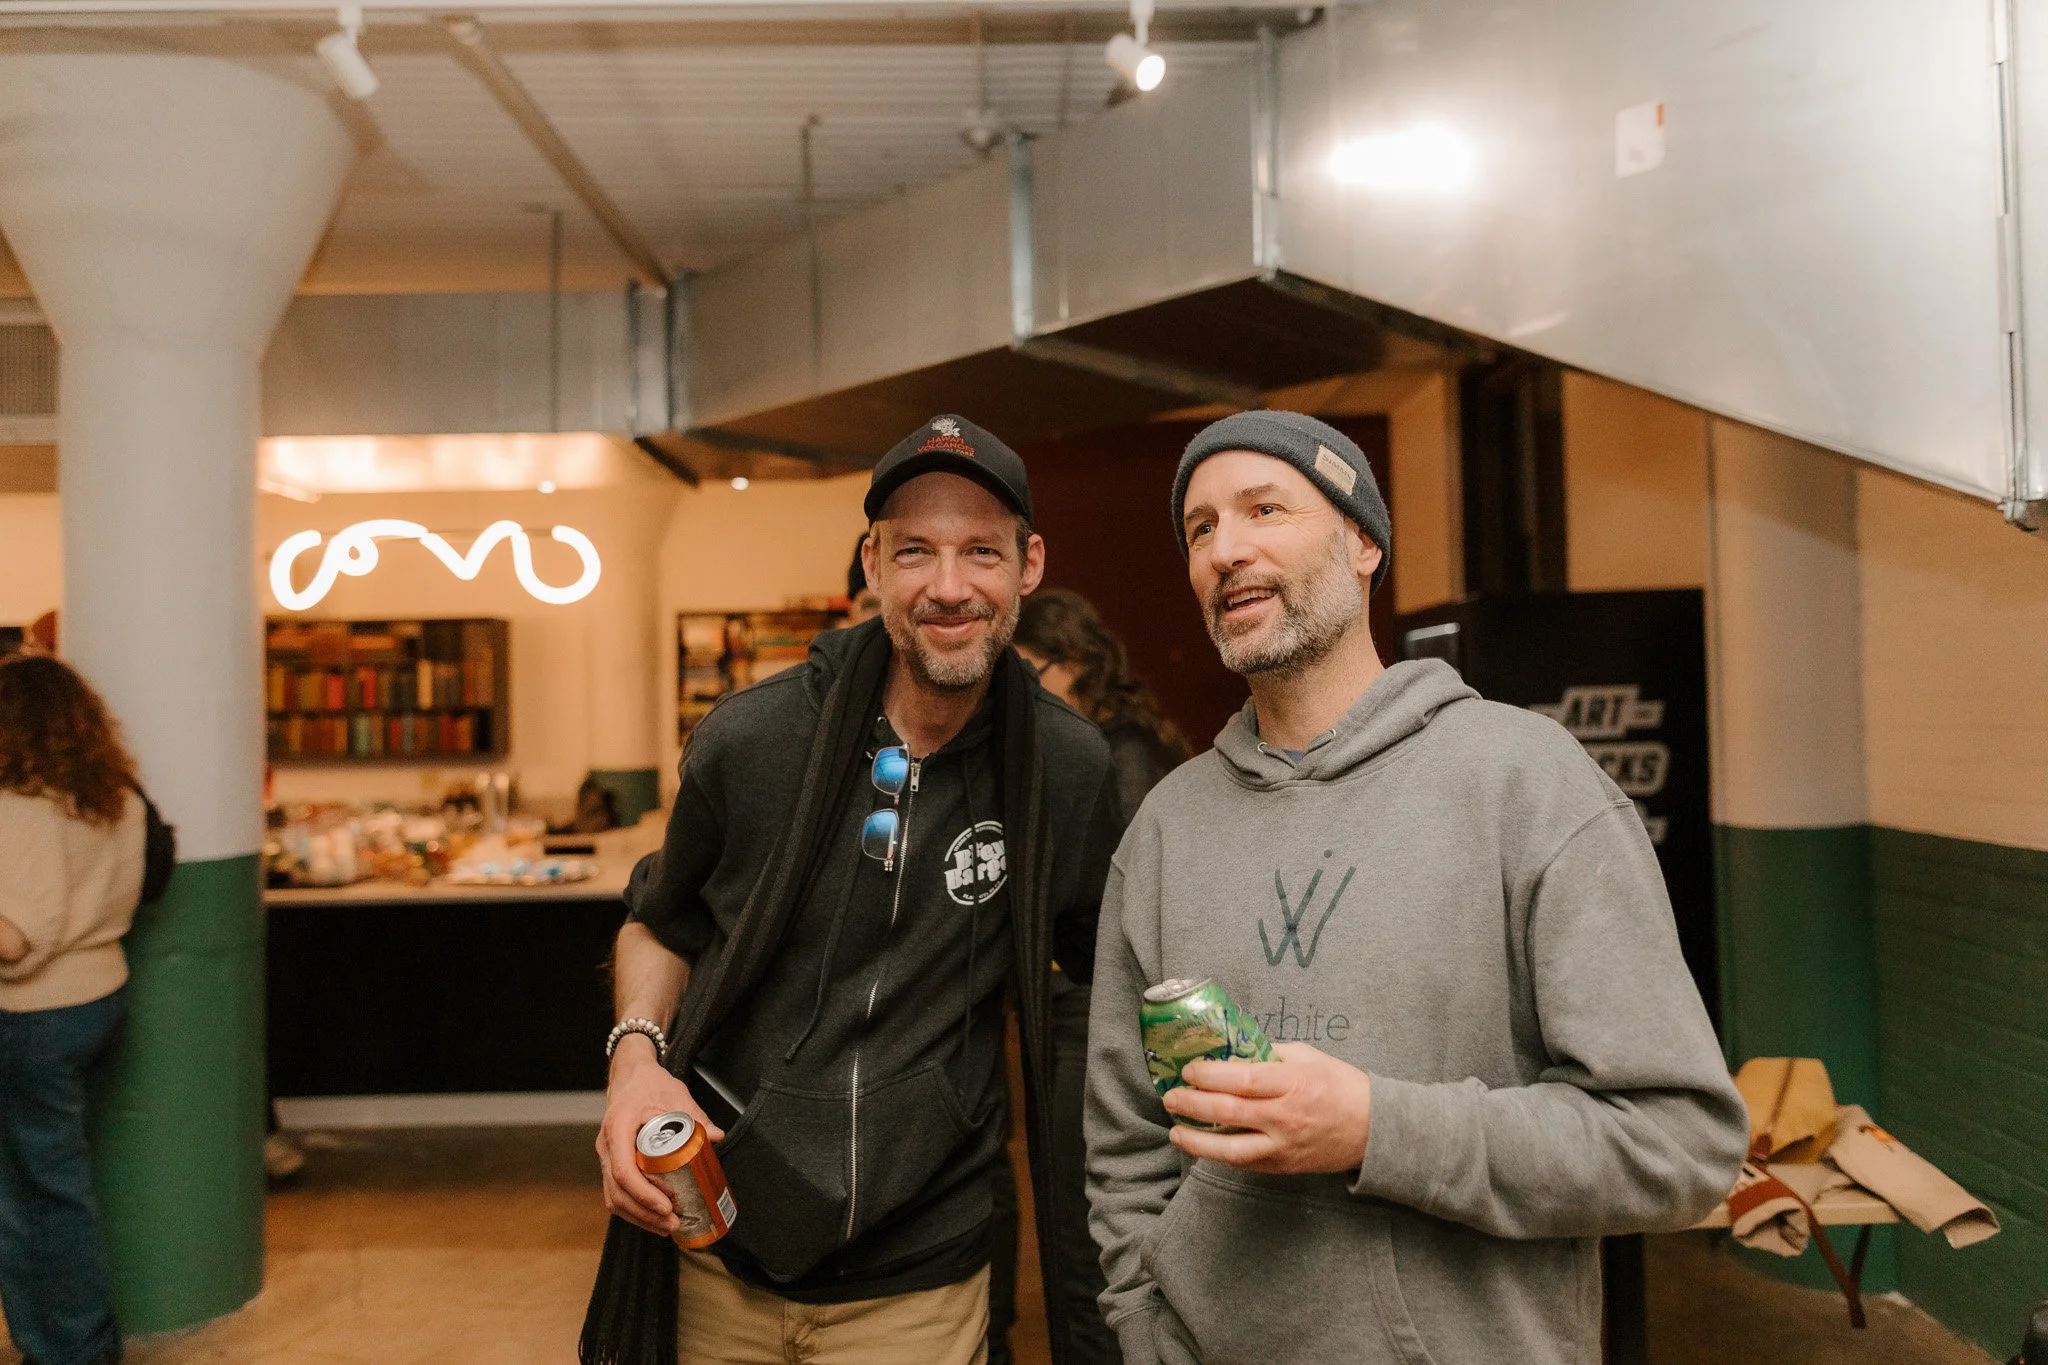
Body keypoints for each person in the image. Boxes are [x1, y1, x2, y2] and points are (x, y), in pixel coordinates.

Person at [1085, 410, 1748, 1365]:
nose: (1225, 550)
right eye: (1200, 527)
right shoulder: (1166, 830)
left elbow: (1678, 1142)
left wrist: (1376, 1128)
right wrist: (1144, 1327)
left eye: (1264, 508)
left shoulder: (1526, 781)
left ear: (1362, 542)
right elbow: (1128, 1145)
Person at [584, 415, 1125, 1365]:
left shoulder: (1065, 769)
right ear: (872, 565)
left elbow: (1099, 978)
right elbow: (658, 924)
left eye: (981, 552)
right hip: (721, 1243)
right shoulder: (752, 742)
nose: (948, 586)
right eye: (915, 550)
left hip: (922, 1271)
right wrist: (636, 1062)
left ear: (1029, 566)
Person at [983, 590, 1188, 1364]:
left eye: (1031, 674)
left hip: (1100, 1013)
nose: (1021, 696)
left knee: (1087, 1256)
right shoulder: (1109, 744)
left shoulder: (1115, 754)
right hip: (1087, 1009)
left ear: (1076, 664)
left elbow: (1124, 919)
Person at [0, 655, 147, 1365]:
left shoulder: (22, 806)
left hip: (32, 1017)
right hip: (98, 1001)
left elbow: (13, 937)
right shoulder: (113, 793)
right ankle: (80, 1340)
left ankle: (69, 1349)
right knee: (52, 1183)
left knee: (36, 1197)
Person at [1014, 589, 1188, 824]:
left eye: (1033, 677)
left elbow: (1128, 856)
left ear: (1075, 660)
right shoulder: (1094, 745)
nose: (1026, 695)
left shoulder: (1127, 753)